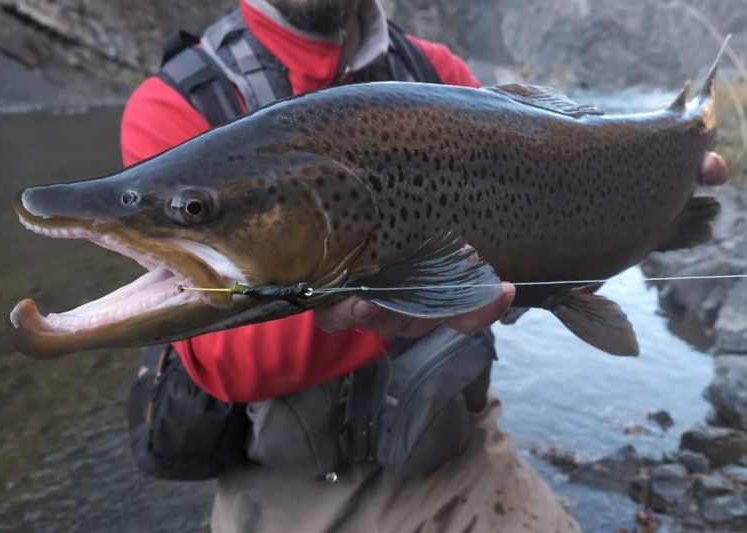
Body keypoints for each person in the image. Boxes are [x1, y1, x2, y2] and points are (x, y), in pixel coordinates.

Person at [120, 1, 730, 531]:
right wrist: (400, 294)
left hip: (461, 460)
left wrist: (643, 206)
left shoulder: (436, 71)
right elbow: (227, 368)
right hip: (294, 494)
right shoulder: (178, 101)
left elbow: (542, 244)